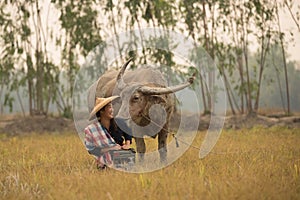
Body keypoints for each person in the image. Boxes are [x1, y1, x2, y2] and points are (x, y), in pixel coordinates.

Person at [84, 96, 133, 169]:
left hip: (121, 155)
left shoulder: (119, 122)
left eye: (112, 107)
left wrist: (127, 144)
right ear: (101, 111)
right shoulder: (93, 129)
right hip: (105, 158)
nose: (112, 110)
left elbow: (128, 131)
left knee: (130, 153)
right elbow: (91, 150)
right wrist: (110, 149)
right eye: (109, 107)